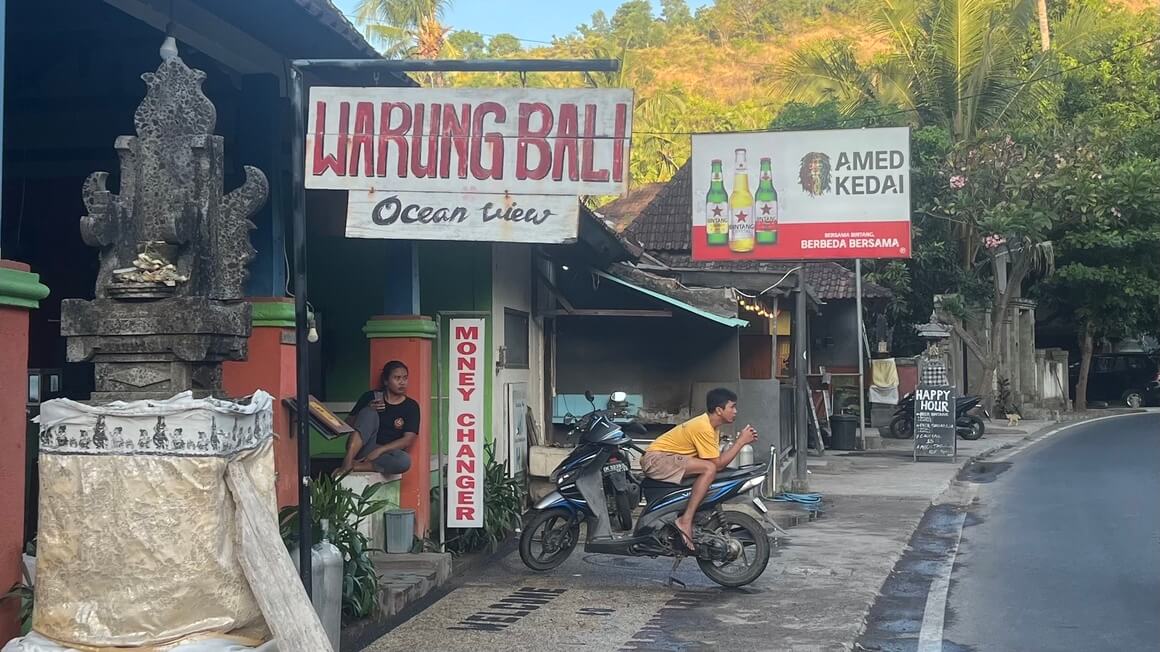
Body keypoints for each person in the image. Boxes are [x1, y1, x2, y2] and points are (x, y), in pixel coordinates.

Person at [639, 388, 758, 551]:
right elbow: (717, 464)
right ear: (719, 410)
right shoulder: (703, 427)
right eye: (732, 407)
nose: (735, 411)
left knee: (710, 470)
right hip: (657, 460)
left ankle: (693, 519)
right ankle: (685, 520)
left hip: (667, 460)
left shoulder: (712, 428)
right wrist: (740, 442)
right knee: (709, 469)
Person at [339, 361, 420, 477]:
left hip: (386, 453)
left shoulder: (411, 406)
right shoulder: (370, 397)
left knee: (404, 461)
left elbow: (407, 440)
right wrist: (366, 408)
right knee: (369, 412)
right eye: (397, 378)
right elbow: (346, 425)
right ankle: (347, 462)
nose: (402, 382)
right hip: (362, 447)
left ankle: (354, 466)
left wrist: (379, 451)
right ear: (386, 381)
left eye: (405, 378)